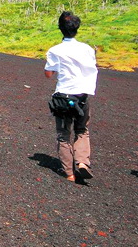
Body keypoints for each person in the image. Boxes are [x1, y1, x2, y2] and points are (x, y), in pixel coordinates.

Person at [44, 11, 98, 182]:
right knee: (82, 130)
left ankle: (69, 173)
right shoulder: (88, 49)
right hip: (82, 96)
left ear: (60, 28)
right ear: (77, 28)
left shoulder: (55, 50)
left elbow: (48, 74)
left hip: (63, 96)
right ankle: (82, 162)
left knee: (63, 134)